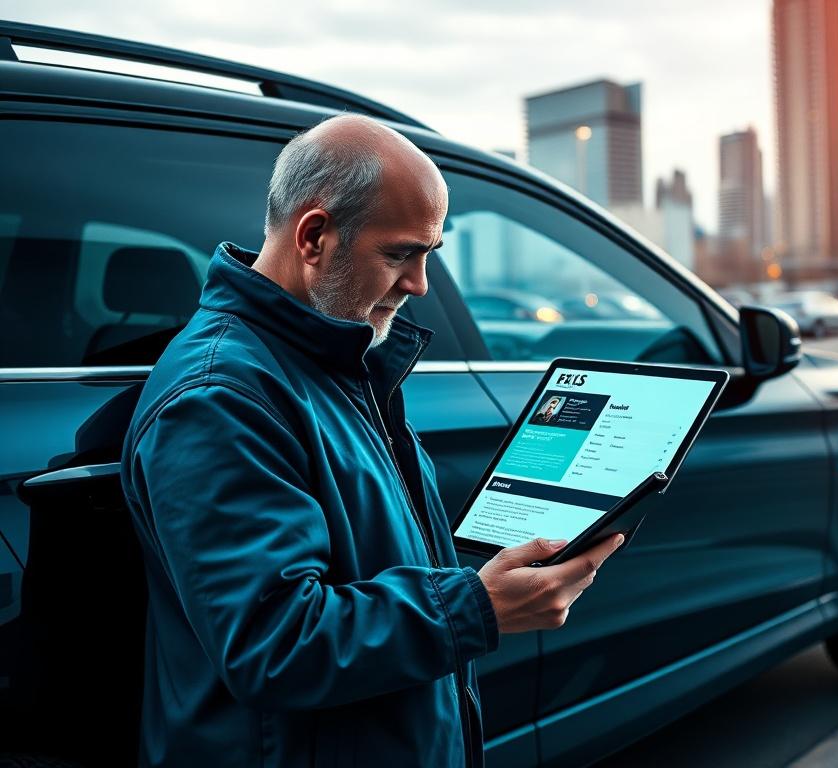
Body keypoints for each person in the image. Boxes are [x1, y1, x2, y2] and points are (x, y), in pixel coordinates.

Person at [120, 114, 623, 768]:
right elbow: (274, 643)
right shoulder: (220, 397)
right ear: (314, 237)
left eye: (428, 254)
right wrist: (475, 608)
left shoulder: (333, 360)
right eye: (399, 255)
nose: (419, 285)